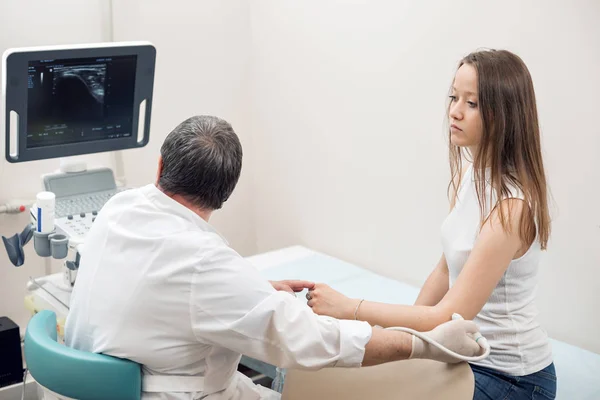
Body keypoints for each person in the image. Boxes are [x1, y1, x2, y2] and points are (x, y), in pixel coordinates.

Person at [64, 115, 484, 400]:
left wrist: (252, 292)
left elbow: (160, 288)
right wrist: (422, 345)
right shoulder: (203, 262)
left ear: (158, 167)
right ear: (226, 195)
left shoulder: (119, 208)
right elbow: (313, 340)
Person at [306, 49, 557, 400]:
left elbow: (449, 315)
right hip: (461, 354)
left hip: (511, 377)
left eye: (472, 103)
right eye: (454, 97)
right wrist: (398, 336)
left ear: (504, 115)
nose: (454, 111)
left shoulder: (510, 208)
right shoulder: (473, 175)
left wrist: (352, 308)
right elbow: (444, 271)